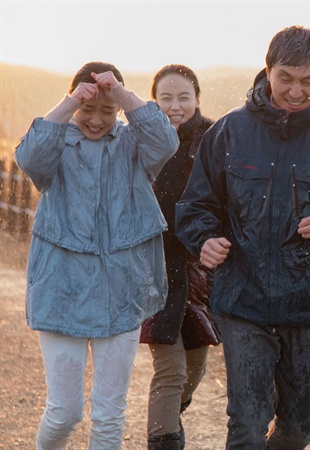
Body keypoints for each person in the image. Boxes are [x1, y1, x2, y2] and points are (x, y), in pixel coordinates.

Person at [176, 26, 310, 449]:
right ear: (268, 71)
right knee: (247, 424)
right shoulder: (229, 131)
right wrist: (204, 238)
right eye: (286, 78)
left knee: (300, 424)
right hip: (242, 298)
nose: (296, 91)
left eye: (308, 81)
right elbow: (194, 207)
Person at [14, 61, 179, 449]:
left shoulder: (133, 145)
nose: (96, 119)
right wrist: (70, 102)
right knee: (64, 410)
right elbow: (29, 158)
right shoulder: (55, 145)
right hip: (61, 292)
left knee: (109, 414)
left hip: (120, 292)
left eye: (108, 111)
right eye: (88, 110)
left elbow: (166, 141)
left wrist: (122, 94)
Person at [139, 64, 216, 450]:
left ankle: (171, 413)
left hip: (200, 273)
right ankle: (164, 436)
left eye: (183, 97)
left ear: (197, 99)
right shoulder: (142, 141)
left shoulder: (214, 139)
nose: (174, 105)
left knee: (195, 368)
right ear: (153, 101)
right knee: (170, 370)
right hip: (155, 271)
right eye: (165, 97)